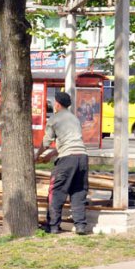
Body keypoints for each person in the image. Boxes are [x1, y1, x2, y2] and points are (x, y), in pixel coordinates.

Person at [34, 91, 88, 235]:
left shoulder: (54, 119)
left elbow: (46, 143)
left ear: (57, 104)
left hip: (66, 160)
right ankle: (81, 226)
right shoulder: (74, 119)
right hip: (82, 157)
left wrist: (37, 155)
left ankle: (53, 226)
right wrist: (50, 156)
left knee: (56, 191)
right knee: (78, 191)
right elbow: (67, 143)